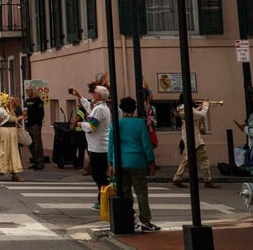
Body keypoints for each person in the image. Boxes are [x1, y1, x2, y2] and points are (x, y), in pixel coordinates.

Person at [108, 97, 160, 232]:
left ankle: (129, 218)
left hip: (120, 161)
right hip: (137, 161)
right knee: (141, 192)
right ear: (134, 109)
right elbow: (146, 144)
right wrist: (151, 161)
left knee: (125, 191)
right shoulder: (139, 124)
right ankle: (146, 220)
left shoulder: (116, 124)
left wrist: (110, 162)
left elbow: (111, 144)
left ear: (121, 108)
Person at [171, 97, 219, 188]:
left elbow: (194, 113)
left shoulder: (182, 109)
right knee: (203, 159)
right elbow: (202, 115)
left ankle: (177, 178)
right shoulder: (187, 109)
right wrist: (205, 105)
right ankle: (207, 180)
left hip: (189, 136)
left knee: (188, 158)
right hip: (194, 137)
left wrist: (199, 106)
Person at [80, 85, 111, 210]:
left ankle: (104, 199)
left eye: (93, 93)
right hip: (99, 145)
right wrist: (79, 97)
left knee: (98, 175)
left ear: (99, 95)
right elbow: (90, 111)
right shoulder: (101, 108)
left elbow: (92, 127)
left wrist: (81, 124)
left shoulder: (99, 109)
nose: (92, 95)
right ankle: (103, 198)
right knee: (99, 174)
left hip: (99, 146)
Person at [0, 92, 25, 182]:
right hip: (4, 133)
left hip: (12, 133)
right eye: (9, 99)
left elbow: (13, 120)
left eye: (12, 99)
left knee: (13, 153)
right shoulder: (2, 111)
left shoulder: (13, 110)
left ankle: (14, 174)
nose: (11, 101)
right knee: (4, 152)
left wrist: (20, 118)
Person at [24, 86, 45, 170]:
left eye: (28, 90)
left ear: (32, 91)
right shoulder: (27, 101)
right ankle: (35, 161)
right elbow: (25, 111)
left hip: (35, 125)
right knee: (30, 143)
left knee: (37, 144)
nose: (26, 92)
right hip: (28, 124)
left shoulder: (38, 100)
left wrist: (37, 122)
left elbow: (41, 113)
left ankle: (40, 163)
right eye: (26, 91)